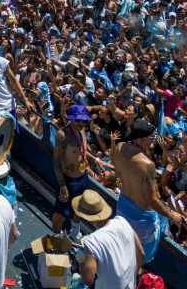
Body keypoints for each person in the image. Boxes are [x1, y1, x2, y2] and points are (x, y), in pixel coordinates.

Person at [112, 118, 185, 264]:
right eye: (152, 137)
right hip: (142, 219)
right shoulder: (147, 165)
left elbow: (117, 169)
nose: (154, 139)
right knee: (140, 258)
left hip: (123, 206)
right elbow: (152, 200)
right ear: (141, 139)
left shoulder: (119, 147)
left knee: (122, 250)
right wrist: (172, 216)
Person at [72, 189, 143, 289]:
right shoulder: (122, 221)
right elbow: (141, 253)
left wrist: (82, 259)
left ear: (86, 217)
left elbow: (88, 279)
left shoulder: (91, 242)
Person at [52, 104, 92, 233]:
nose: (82, 123)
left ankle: (75, 230)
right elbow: (56, 162)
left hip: (83, 177)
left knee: (80, 206)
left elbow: (81, 153)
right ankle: (55, 236)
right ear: (72, 119)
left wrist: (90, 165)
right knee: (61, 212)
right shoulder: (62, 135)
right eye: (78, 120)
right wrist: (62, 185)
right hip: (69, 181)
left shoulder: (82, 131)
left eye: (84, 120)